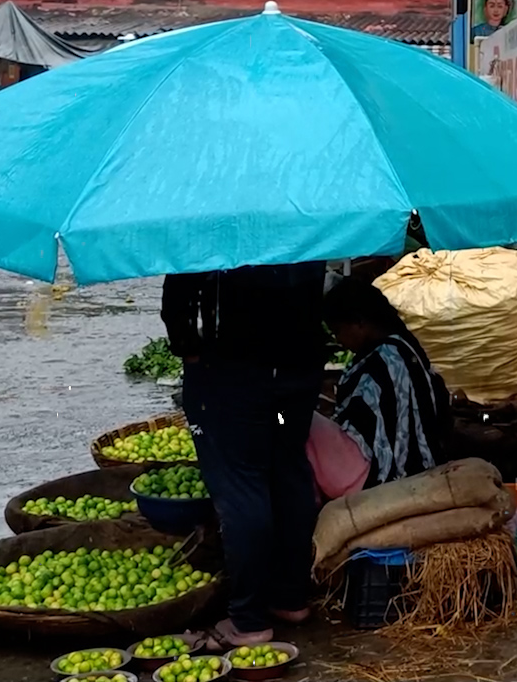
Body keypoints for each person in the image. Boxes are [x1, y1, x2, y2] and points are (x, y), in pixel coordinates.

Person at [162, 262, 327, 649]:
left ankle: (248, 621)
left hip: (238, 375)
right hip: (296, 378)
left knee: (241, 485)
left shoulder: (216, 217)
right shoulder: (304, 213)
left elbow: (179, 296)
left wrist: (189, 350)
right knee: (287, 467)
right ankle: (290, 598)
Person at [322, 275, 453, 489]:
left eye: (338, 331)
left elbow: (378, 433)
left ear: (359, 322)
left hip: (392, 472)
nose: (338, 340)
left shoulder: (387, 358)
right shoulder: (401, 347)